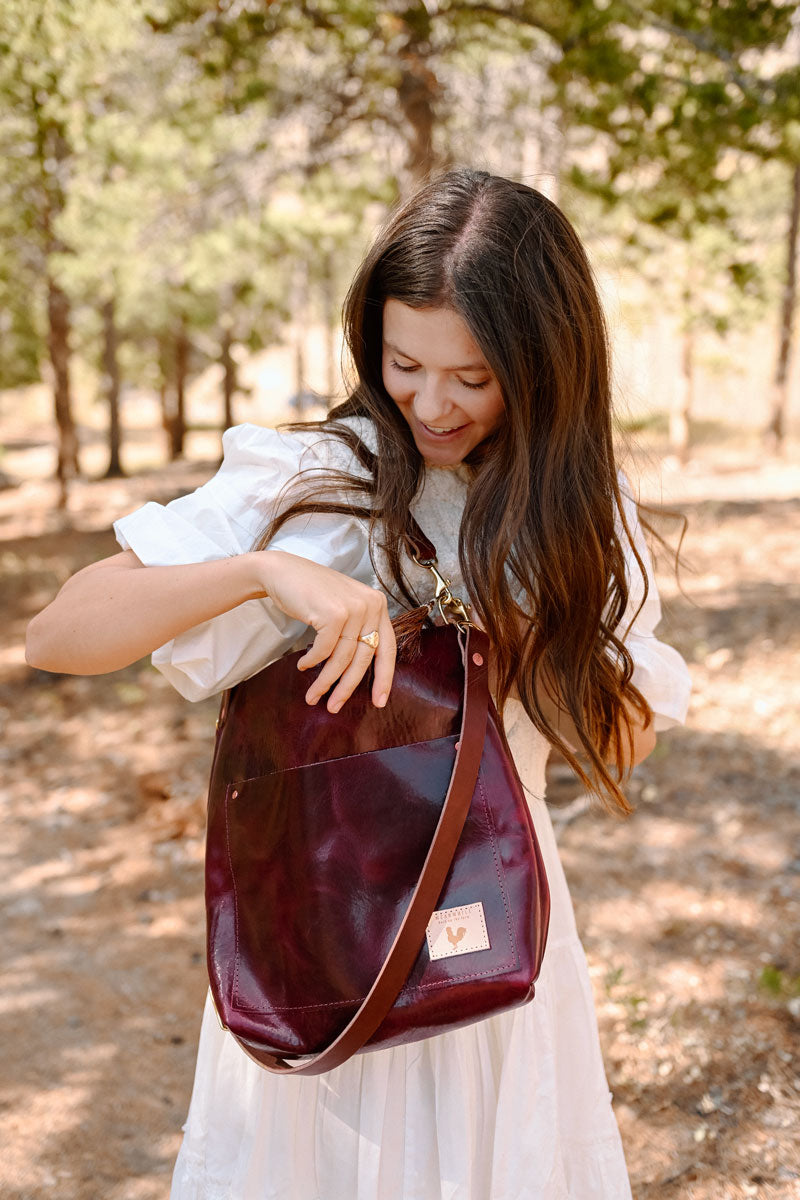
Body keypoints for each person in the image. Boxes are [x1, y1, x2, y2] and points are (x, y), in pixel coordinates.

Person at [26, 167, 691, 1199]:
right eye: (404, 363)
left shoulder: (572, 512)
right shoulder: (314, 483)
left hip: (492, 946)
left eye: (472, 376)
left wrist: (531, 652)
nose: (430, 403)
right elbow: (58, 635)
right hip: (321, 940)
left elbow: (617, 744)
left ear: (545, 364)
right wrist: (258, 572)